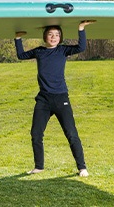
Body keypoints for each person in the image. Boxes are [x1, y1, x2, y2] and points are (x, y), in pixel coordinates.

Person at [14, 20, 95, 177]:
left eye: (57, 35)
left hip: (60, 98)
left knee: (71, 133)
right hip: (43, 100)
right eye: (50, 34)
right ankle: (39, 166)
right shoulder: (39, 52)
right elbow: (20, 55)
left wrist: (81, 28)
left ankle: (82, 167)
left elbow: (81, 47)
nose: (54, 37)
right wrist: (17, 39)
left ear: (60, 37)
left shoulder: (63, 50)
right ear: (45, 37)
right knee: (36, 133)